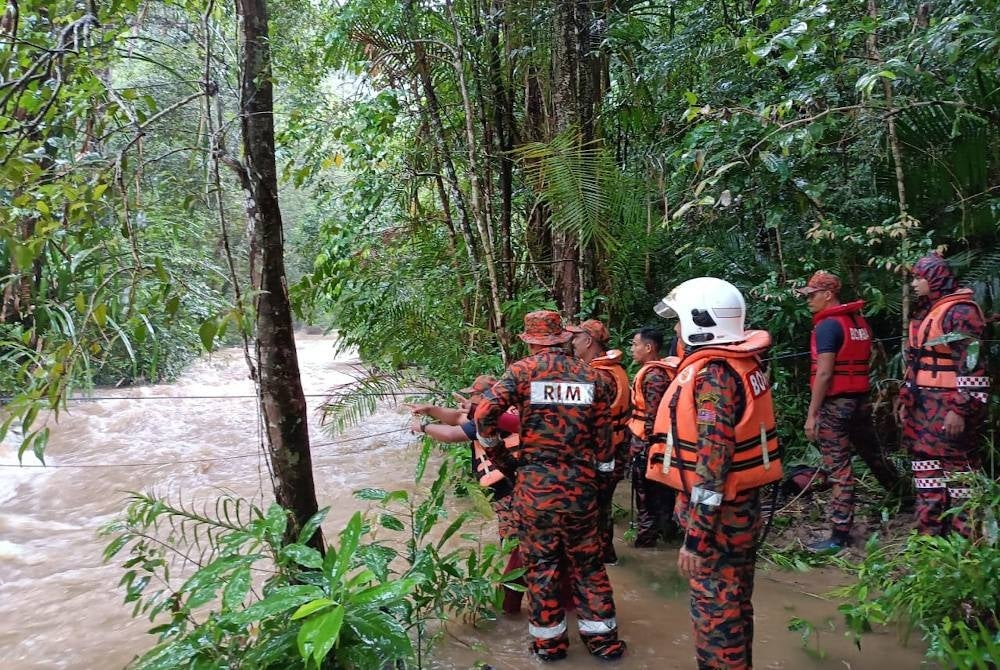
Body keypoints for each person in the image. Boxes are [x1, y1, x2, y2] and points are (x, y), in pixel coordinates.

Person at [645, 277, 783, 670]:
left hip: (718, 523)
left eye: (680, 321)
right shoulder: (740, 364)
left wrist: (696, 539)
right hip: (740, 512)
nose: (675, 329)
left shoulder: (713, 376)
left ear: (699, 321)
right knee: (736, 607)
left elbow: (713, 462)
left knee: (716, 617)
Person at [476, 310, 626, 661]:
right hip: (582, 488)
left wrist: (504, 462)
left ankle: (550, 646)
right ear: (562, 339)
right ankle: (604, 644)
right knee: (588, 567)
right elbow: (606, 445)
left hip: (534, 488)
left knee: (541, 566)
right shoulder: (594, 378)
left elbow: (484, 416)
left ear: (530, 341)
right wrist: (601, 486)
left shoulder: (521, 372)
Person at [795, 270, 905, 552]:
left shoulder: (827, 326)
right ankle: (905, 496)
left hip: (836, 404)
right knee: (873, 454)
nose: (808, 300)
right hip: (860, 399)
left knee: (839, 468)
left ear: (827, 295)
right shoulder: (858, 321)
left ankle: (839, 533)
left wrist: (812, 414)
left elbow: (824, 373)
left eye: (811, 295)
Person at [407, 375, 525, 613]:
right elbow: (458, 416)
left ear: (486, 397)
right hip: (512, 489)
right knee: (517, 548)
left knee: (517, 549)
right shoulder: (505, 412)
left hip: (512, 493)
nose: (470, 399)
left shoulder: (491, 418)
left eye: (474, 395)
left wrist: (422, 427)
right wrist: (431, 410)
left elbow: (453, 434)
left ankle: (510, 606)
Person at [898, 253, 989, 537]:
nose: (914, 284)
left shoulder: (961, 312)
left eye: (919, 277)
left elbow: (973, 365)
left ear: (935, 278)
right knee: (926, 474)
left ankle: (967, 545)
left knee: (959, 474)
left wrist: (959, 409)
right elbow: (916, 361)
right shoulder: (928, 310)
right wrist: (905, 400)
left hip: (949, 406)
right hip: (922, 407)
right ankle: (930, 541)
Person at [568, 319, 632, 564]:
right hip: (615, 447)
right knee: (601, 507)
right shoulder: (613, 370)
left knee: (594, 509)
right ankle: (605, 557)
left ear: (588, 340)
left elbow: (582, 419)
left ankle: (599, 558)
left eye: (576, 337)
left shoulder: (598, 376)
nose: (573, 343)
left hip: (603, 453)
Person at [626, 327, 678, 547]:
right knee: (660, 495)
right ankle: (667, 535)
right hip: (658, 446)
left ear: (649, 348)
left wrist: (646, 449)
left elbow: (653, 416)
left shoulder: (655, 376)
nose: (632, 349)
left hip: (649, 447)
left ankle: (646, 542)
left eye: (635, 344)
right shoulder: (658, 371)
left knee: (647, 498)